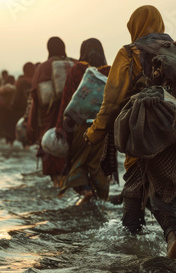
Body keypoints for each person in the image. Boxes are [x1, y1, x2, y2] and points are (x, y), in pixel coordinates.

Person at [85, 5, 176, 260]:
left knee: (132, 210)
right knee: (166, 197)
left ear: (134, 26)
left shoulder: (130, 53)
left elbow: (110, 103)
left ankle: (130, 262)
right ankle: (173, 238)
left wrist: (94, 134)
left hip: (144, 140)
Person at [55, 38, 111, 205]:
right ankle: (101, 200)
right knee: (98, 164)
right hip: (102, 127)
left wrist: (60, 126)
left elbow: (66, 100)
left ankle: (86, 191)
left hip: (80, 127)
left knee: (78, 160)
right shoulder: (109, 71)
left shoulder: (77, 70)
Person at [26, 37, 72, 188]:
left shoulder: (42, 68)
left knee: (54, 172)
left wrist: (31, 129)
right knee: (71, 167)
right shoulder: (73, 64)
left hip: (48, 128)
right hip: (71, 125)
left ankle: (57, 197)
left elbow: (35, 101)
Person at [0, 75, 18, 145]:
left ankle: (8, 142)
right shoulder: (15, 89)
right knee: (12, 129)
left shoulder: (1, 89)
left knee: (7, 131)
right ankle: (12, 143)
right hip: (13, 112)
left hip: (3, 113)